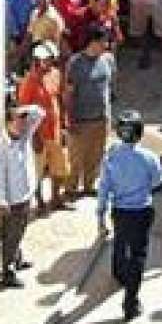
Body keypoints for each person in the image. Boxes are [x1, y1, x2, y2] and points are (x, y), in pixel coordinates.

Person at [97, 109, 162, 321]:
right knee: (137, 255)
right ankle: (130, 303)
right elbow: (158, 180)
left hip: (119, 210)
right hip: (141, 211)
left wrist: (100, 214)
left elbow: (104, 187)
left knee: (120, 240)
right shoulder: (149, 157)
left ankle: (118, 273)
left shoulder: (111, 157)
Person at [0, 94, 44, 287]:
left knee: (20, 230)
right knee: (11, 236)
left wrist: (22, 111)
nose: (22, 124)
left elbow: (39, 113)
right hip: (12, 199)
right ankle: (8, 271)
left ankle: (18, 259)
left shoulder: (25, 137)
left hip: (26, 194)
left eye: (22, 121)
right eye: (17, 121)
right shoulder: (1, 148)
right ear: (8, 123)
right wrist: (2, 201)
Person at [18, 42, 70, 212]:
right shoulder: (29, 82)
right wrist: (33, 136)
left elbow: (59, 99)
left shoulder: (55, 74)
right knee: (38, 170)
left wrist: (64, 124)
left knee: (60, 167)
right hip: (38, 133)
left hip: (54, 130)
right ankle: (39, 200)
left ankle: (56, 198)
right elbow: (24, 111)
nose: (48, 63)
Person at [66, 23, 116, 198]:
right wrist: (69, 118)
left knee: (96, 154)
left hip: (101, 117)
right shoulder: (75, 63)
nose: (106, 45)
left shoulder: (108, 60)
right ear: (93, 42)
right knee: (76, 157)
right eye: (103, 42)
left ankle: (89, 184)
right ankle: (71, 188)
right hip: (81, 119)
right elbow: (69, 93)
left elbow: (109, 86)